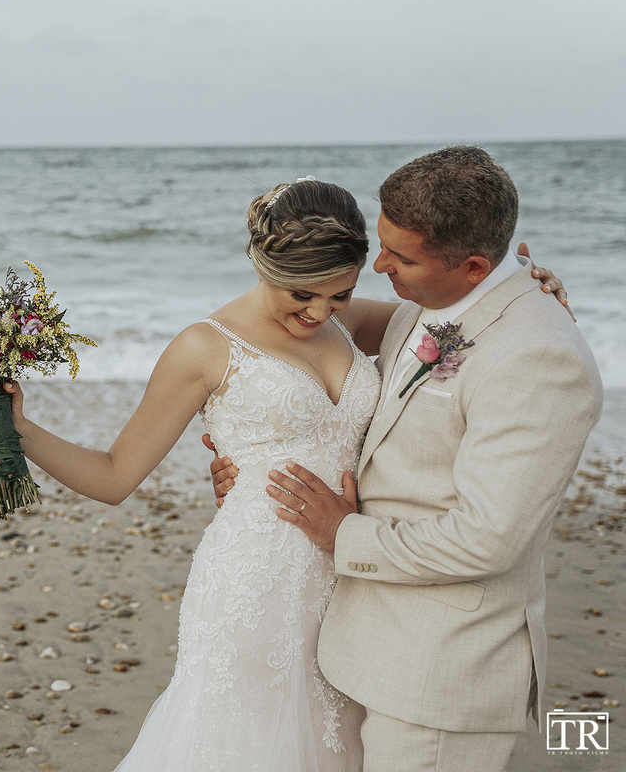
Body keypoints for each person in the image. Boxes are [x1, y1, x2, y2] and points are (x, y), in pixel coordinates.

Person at [0, 174, 568, 771]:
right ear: (263, 266)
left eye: (339, 294)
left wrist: (529, 291)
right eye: (301, 294)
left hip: (363, 583)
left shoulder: (351, 324)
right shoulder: (205, 348)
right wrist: (21, 430)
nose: (318, 312)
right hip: (258, 582)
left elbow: (466, 325)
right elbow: (115, 476)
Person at [208, 146, 603, 772]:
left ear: (474, 265)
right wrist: (251, 449)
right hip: (367, 647)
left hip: (442, 677)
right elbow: (281, 332)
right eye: (383, 241)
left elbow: (488, 539)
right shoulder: (433, 303)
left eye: (401, 256)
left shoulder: (538, 357)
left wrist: (341, 532)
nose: (378, 264)